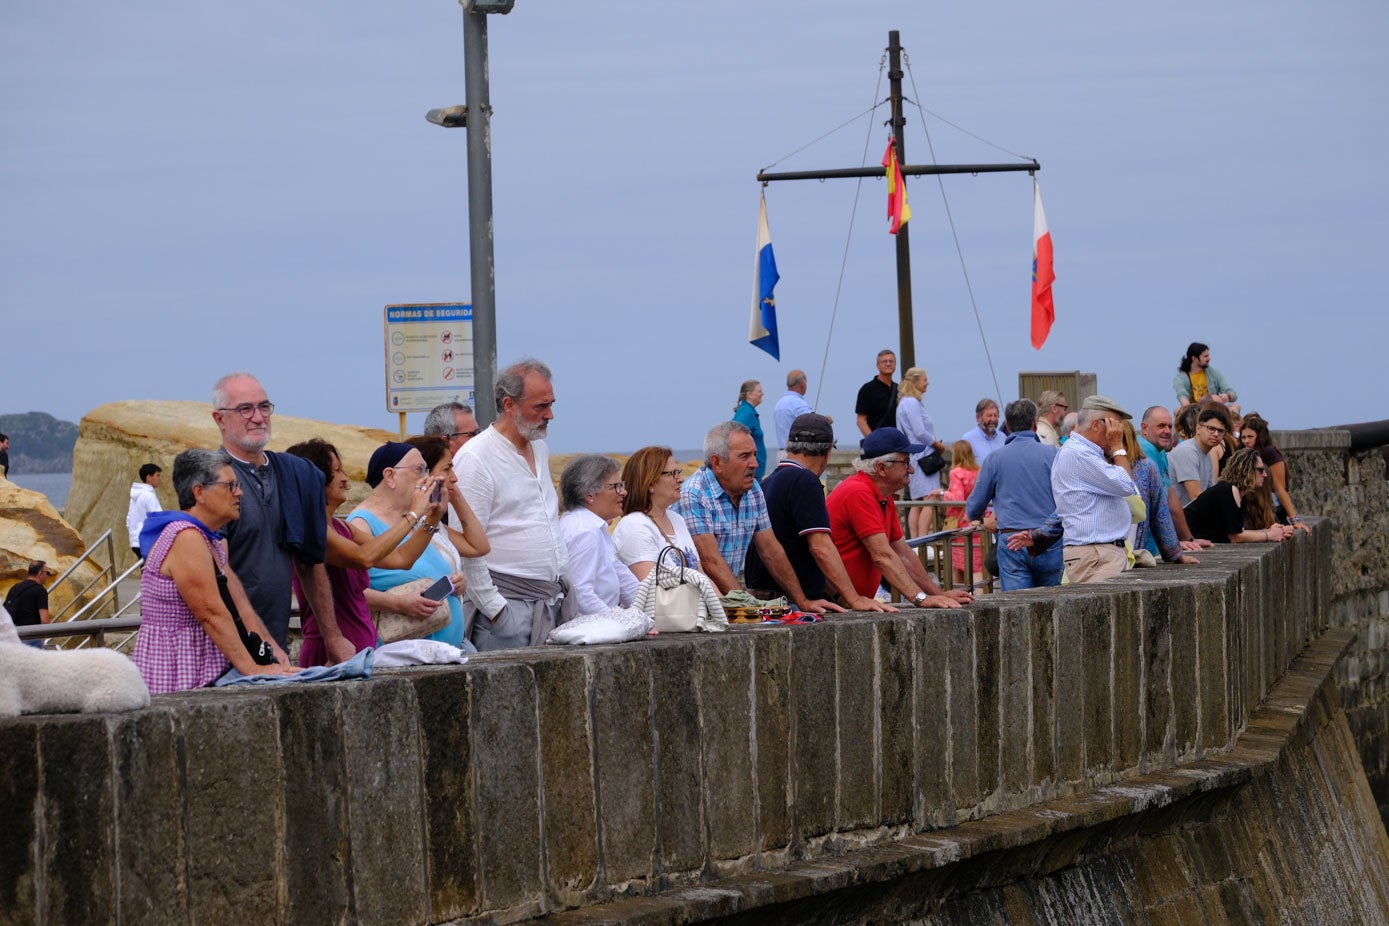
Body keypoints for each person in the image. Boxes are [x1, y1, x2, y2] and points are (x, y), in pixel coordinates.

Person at [133, 449, 295, 692]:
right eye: (230, 486)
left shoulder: (206, 539)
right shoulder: (185, 536)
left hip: (195, 666)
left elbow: (238, 601)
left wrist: (272, 650)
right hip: (180, 670)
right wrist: (253, 669)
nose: (239, 492)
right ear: (199, 492)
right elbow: (210, 612)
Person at [285, 438, 447, 665]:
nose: (345, 478)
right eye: (337, 471)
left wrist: (432, 518)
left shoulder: (341, 527)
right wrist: (413, 514)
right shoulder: (314, 531)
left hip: (360, 648)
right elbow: (364, 558)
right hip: (332, 652)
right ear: (316, 480)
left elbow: (401, 558)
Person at [455, 358, 570, 651]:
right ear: (509, 404)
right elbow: (466, 544)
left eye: (551, 404)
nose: (551, 415)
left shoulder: (540, 449)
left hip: (550, 602)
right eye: (540, 407)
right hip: (508, 609)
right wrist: (496, 610)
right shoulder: (476, 458)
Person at [211, 372, 332, 650]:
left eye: (263, 406)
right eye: (245, 409)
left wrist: (332, 636)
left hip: (274, 644)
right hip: (225, 649)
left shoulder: (293, 474)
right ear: (220, 419)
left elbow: (309, 562)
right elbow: (218, 573)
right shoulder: (213, 482)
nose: (258, 417)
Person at [677, 420, 838, 613]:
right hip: (690, 605)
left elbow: (771, 550)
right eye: (744, 456)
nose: (755, 463)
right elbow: (710, 561)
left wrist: (802, 601)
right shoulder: (694, 493)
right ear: (717, 462)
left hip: (726, 602)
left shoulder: (753, 489)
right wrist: (750, 609)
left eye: (754, 454)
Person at [744, 414, 893, 611]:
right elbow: (821, 547)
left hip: (764, 598)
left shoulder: (769, 481)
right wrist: (854, 599)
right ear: (828, 451)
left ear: (790, 445)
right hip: (788, 604)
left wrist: (840, 596)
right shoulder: (805, 481)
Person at [348, 441, 485, 651]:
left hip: (450, 647)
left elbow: (477, 546)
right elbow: (347, 591)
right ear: (390, 476)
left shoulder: (414, 517)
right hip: (403, 656)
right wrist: (399, 603)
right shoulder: (361, 524)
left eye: (427, 470)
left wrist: (455, 583)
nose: (426, 478)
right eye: (419, 470)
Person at [825, 428, 972, 608]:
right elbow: (882, 555)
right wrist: (920, 598)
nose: (911, 469)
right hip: (833, 603)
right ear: (881, 468)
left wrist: (937, 594)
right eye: (905, 462)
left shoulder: (883, 496)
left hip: (847, 604)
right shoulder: (859, 492)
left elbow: (903, 553)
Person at [1013, 398, 1141, 584]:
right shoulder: (1079, 454)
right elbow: (1125, 485)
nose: (1118, 432)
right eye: (1114, 425)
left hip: (1100, 553)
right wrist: (1118, 448)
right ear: (1096, 425)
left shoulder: (1085, 453)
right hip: (1096, 555)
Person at [965, 399, 1064, 590]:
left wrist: (982, 519)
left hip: (1012, 540)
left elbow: (974, 507)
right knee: (1052, 605)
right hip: (1047, 539)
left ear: (1007, 426)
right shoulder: (1053, 454)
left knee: (1015, 608)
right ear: (1034, 424)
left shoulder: (994, 459)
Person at [559, 455, 639, 617]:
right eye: (616, 486)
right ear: (589, 495)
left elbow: (623, 579)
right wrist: (619, 623)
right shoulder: (584, 530)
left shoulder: (594, 526)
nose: (624, 492)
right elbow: (581, 594)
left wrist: (649, 613)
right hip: (592, 629)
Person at [613, 447, 699, 580]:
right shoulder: (635, 526)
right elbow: (651, 589)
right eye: (673, 474)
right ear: (650, 483)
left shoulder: (676, 519)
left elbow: (701, 574)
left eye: (679, 472)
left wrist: (721, 601)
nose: (681, 479)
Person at [1121, 421, 1198, 566]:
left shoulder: (1146, 467)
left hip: (1135, 553)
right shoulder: (1097, 463)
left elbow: (1161, 513)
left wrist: (1175, 554)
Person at [1136, 406, 1210, 556]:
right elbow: (1160, 506)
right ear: (1144, 428)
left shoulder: (1160, 451)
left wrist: (1188, 539)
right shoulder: (1143, 450)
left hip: (1155, 547)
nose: (1168, 431)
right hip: (1143, 546)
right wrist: (1174, 545)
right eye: (1161, 426)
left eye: (1170, 426)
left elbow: (1171, 499)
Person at [1184, 449, 1295, 545]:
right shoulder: (1228, 490)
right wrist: (1269, 535)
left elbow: (1237, 531)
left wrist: (1270, 531)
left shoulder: (1233, 491)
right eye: (1261, 470)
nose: (1265, 474)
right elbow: (1236, 537)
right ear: (1247, 470)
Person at [1241, 412, 1312, 535]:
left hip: (1271, 506)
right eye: (1243, 437)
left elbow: (1279, 488)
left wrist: (1294, 519)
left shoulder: (1270, 453)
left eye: (1250, 437)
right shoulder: (1242, 452)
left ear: (1259, 436)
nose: (1246, 441)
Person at [895, 367, 945, 538]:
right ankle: (923, 538)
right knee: (929, 499)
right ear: (915, 382)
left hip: (914, 455)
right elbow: (920, 431)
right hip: (923, 456)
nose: (927, 383)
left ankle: (916, 539)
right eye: (925, 379)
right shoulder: (912, 403)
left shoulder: (902, 404)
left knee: (916, 502)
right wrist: (936, 443)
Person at [1169, 406, 1228, 506]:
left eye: (1220, 431)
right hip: (1180, 518)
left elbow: (1210, 492)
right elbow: (1196, 497)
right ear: (1198, 428)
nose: (1216, 434)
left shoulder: (1206, 454)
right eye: (1211, 429)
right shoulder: (1187, 451)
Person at [944, 440, 984, 583]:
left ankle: (959, 599)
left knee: (957, 567)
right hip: (976, 521)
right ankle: (982, 598)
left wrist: (944, 494)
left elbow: (957, 498)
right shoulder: (978, 471)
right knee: (978, 568)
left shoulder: (956, 473)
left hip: (960, 525)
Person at [773, 369, 832, 452]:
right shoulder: (798, 403)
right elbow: (813, 422)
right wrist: (826, 420)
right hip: (795, 453)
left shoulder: (779, 403)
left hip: (781, 452)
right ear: (803, 384)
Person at [1174, 342, 1240, 416]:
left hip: (1215, 409)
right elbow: (1183, 398)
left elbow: (1233, 393)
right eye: (1205, 356)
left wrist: (1228, 396)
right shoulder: (1181, 379)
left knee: (1235, 407)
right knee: (1177, 411)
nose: (1209, 358)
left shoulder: (1213, 372)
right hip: (1195, 413)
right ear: (1194, 358)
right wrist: (1191, 412)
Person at [4, 561, 52, 648]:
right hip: (31, 636)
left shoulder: (15, 587)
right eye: (47, 573)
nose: (47, 576)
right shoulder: (40, 590)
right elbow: (44, 619)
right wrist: (44, 637)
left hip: (14, 634)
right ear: (40, 573)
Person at [855, 349, 898, 437]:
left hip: (897, 442)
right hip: (877, 443)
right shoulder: (867, 389)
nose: (888, 364)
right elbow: (861, 421)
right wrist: (874, 441)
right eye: (884, 361)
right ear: (877, 366)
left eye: (891, 361)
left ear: (895, 365)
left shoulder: (899, 389)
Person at [731, 379, 768, 480]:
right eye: (759, 391)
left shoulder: (748, 411)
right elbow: (734, 434)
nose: (763, 393)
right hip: (750, 473)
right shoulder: (747, 412)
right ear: (749, 394)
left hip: (753, 472)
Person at [126, 463, 163, 558]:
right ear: (149, 478)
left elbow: (128, 520)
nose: (160, 479)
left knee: (145, 570)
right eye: (157, 476)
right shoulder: (148, 495)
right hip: (146, 541)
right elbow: (158, 518)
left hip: (135, 541)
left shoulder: (136, 495)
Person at [961, 398, 1003, 464]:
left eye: (996, 415)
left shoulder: (1003, 438)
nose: (993, 419)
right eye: (989, 416)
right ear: (978, 417)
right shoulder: (968, 440)